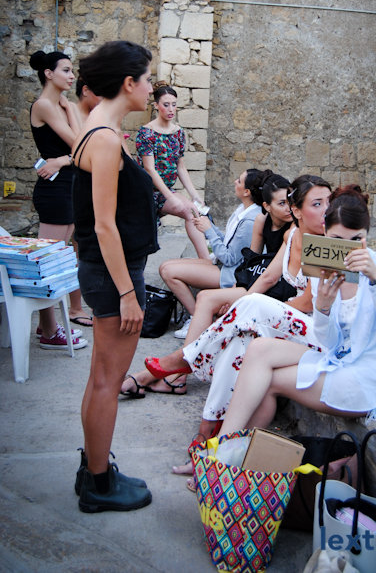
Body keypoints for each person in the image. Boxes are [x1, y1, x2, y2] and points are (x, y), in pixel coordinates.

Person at [144, 175, 332, 464]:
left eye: (329, 202)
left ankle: (186, 358)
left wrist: (261, 308)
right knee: (239, 341)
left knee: (254, 306)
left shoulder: (327, 243)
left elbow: (308, 302)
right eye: (317, 204)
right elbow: (268, 277)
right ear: (297, 210)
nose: (327, 210)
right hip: (294, 325)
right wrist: (240, 309)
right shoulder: (292, 235)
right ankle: (208, 431)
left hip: (318, 329)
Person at [218, 185, 376, 440]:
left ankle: (227, 448)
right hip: (337, 358)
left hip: (369, 374)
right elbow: (328, 342)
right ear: (325, 232)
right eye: (337, 240)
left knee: (268, 381)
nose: (347, 250)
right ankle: (225, 447)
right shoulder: (323, 263)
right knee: (259, 349)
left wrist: (375, 280)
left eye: (356, 241)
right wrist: (324, 308)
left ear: (367, 234)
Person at [72, 40, 156, 512]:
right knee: (108, 381)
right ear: (128, 82)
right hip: (113, 275)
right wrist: (127, 293)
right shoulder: (104, 137)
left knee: (99, 378)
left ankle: (93, 469)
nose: (151, 88)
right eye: (147, 79)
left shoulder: (97, 127)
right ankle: (100, 487)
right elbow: (103, 225)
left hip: (105, 271)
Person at [120, 171, 293, 396]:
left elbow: (267, 275)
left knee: (208, 302)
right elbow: (250, 264)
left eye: (290, 201)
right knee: (203, 296)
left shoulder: (291, 230)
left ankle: (171, 371)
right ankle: (175, 374)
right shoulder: (261, 219)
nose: (290, 208)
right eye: (282, 203)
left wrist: (238, 301)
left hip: (276, 290)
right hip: (254, 285)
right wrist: (234, 293)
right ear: (266, 206)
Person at [158, 168, 265, 341]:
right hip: (224, 266)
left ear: (247, 192)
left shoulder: (251, 220)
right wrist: (207, 225)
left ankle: (198, 319)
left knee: (168, 272)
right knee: (166, 266)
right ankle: (198, 316)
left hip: (230, 273)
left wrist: (208, 231)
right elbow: (228, 243)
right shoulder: (242, 209)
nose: (235, 182)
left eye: (239, 180)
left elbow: (230, 258)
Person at [29, 50, 90, 344]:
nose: (71, 76)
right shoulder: (43, 104)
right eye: (65, 70)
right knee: (48, 262)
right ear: (48, 74)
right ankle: (50, 331)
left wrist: (69, 109)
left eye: (71, 70)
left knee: (61, 259)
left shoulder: (64, 106)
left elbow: (83, 146)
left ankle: (48, 327)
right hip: (54, 191)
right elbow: (80, 144)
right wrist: (67, 158)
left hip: (68, 186)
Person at [136, 83, 210, 260]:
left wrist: (195, 195)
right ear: (156, 105)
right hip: (144, 191)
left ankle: (206, 261)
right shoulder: (146, 133)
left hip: (165, 191)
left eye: (174, 104)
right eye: (166, 104)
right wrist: (170, 197)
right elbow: (149, 169)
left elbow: (180, 167)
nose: (171, 109)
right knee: (143, 241)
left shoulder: (178, 132)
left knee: (192, 211)